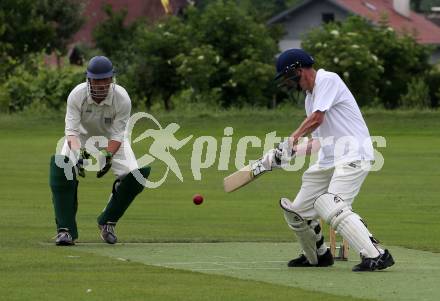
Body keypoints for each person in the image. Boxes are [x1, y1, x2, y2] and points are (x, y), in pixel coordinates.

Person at [272, 49, 394, 272]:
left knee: (331, 205)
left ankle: (377, 255)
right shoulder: (310, 99)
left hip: (353, 155)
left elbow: (317, 120)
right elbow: (318, 142)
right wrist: (287, 153)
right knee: (298, 212)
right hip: (329, 159)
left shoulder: (328, 80)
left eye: (290, 78)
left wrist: (292, 139)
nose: (290, 84)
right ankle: (317, 256)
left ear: (300, 71)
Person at [49, 56, 150, 246]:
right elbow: (71, 132)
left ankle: (107, 222)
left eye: (105, 79)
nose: (101, 84)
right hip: (81, 138)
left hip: (111, 141)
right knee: (61, 166)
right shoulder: (77, 95)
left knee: (136, 176)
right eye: (96, 80)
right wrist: (78, 153)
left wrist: (107, 154)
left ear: (112, 79)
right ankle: (65, 231)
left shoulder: (122, 98)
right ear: (89, 80)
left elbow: (118, 134)